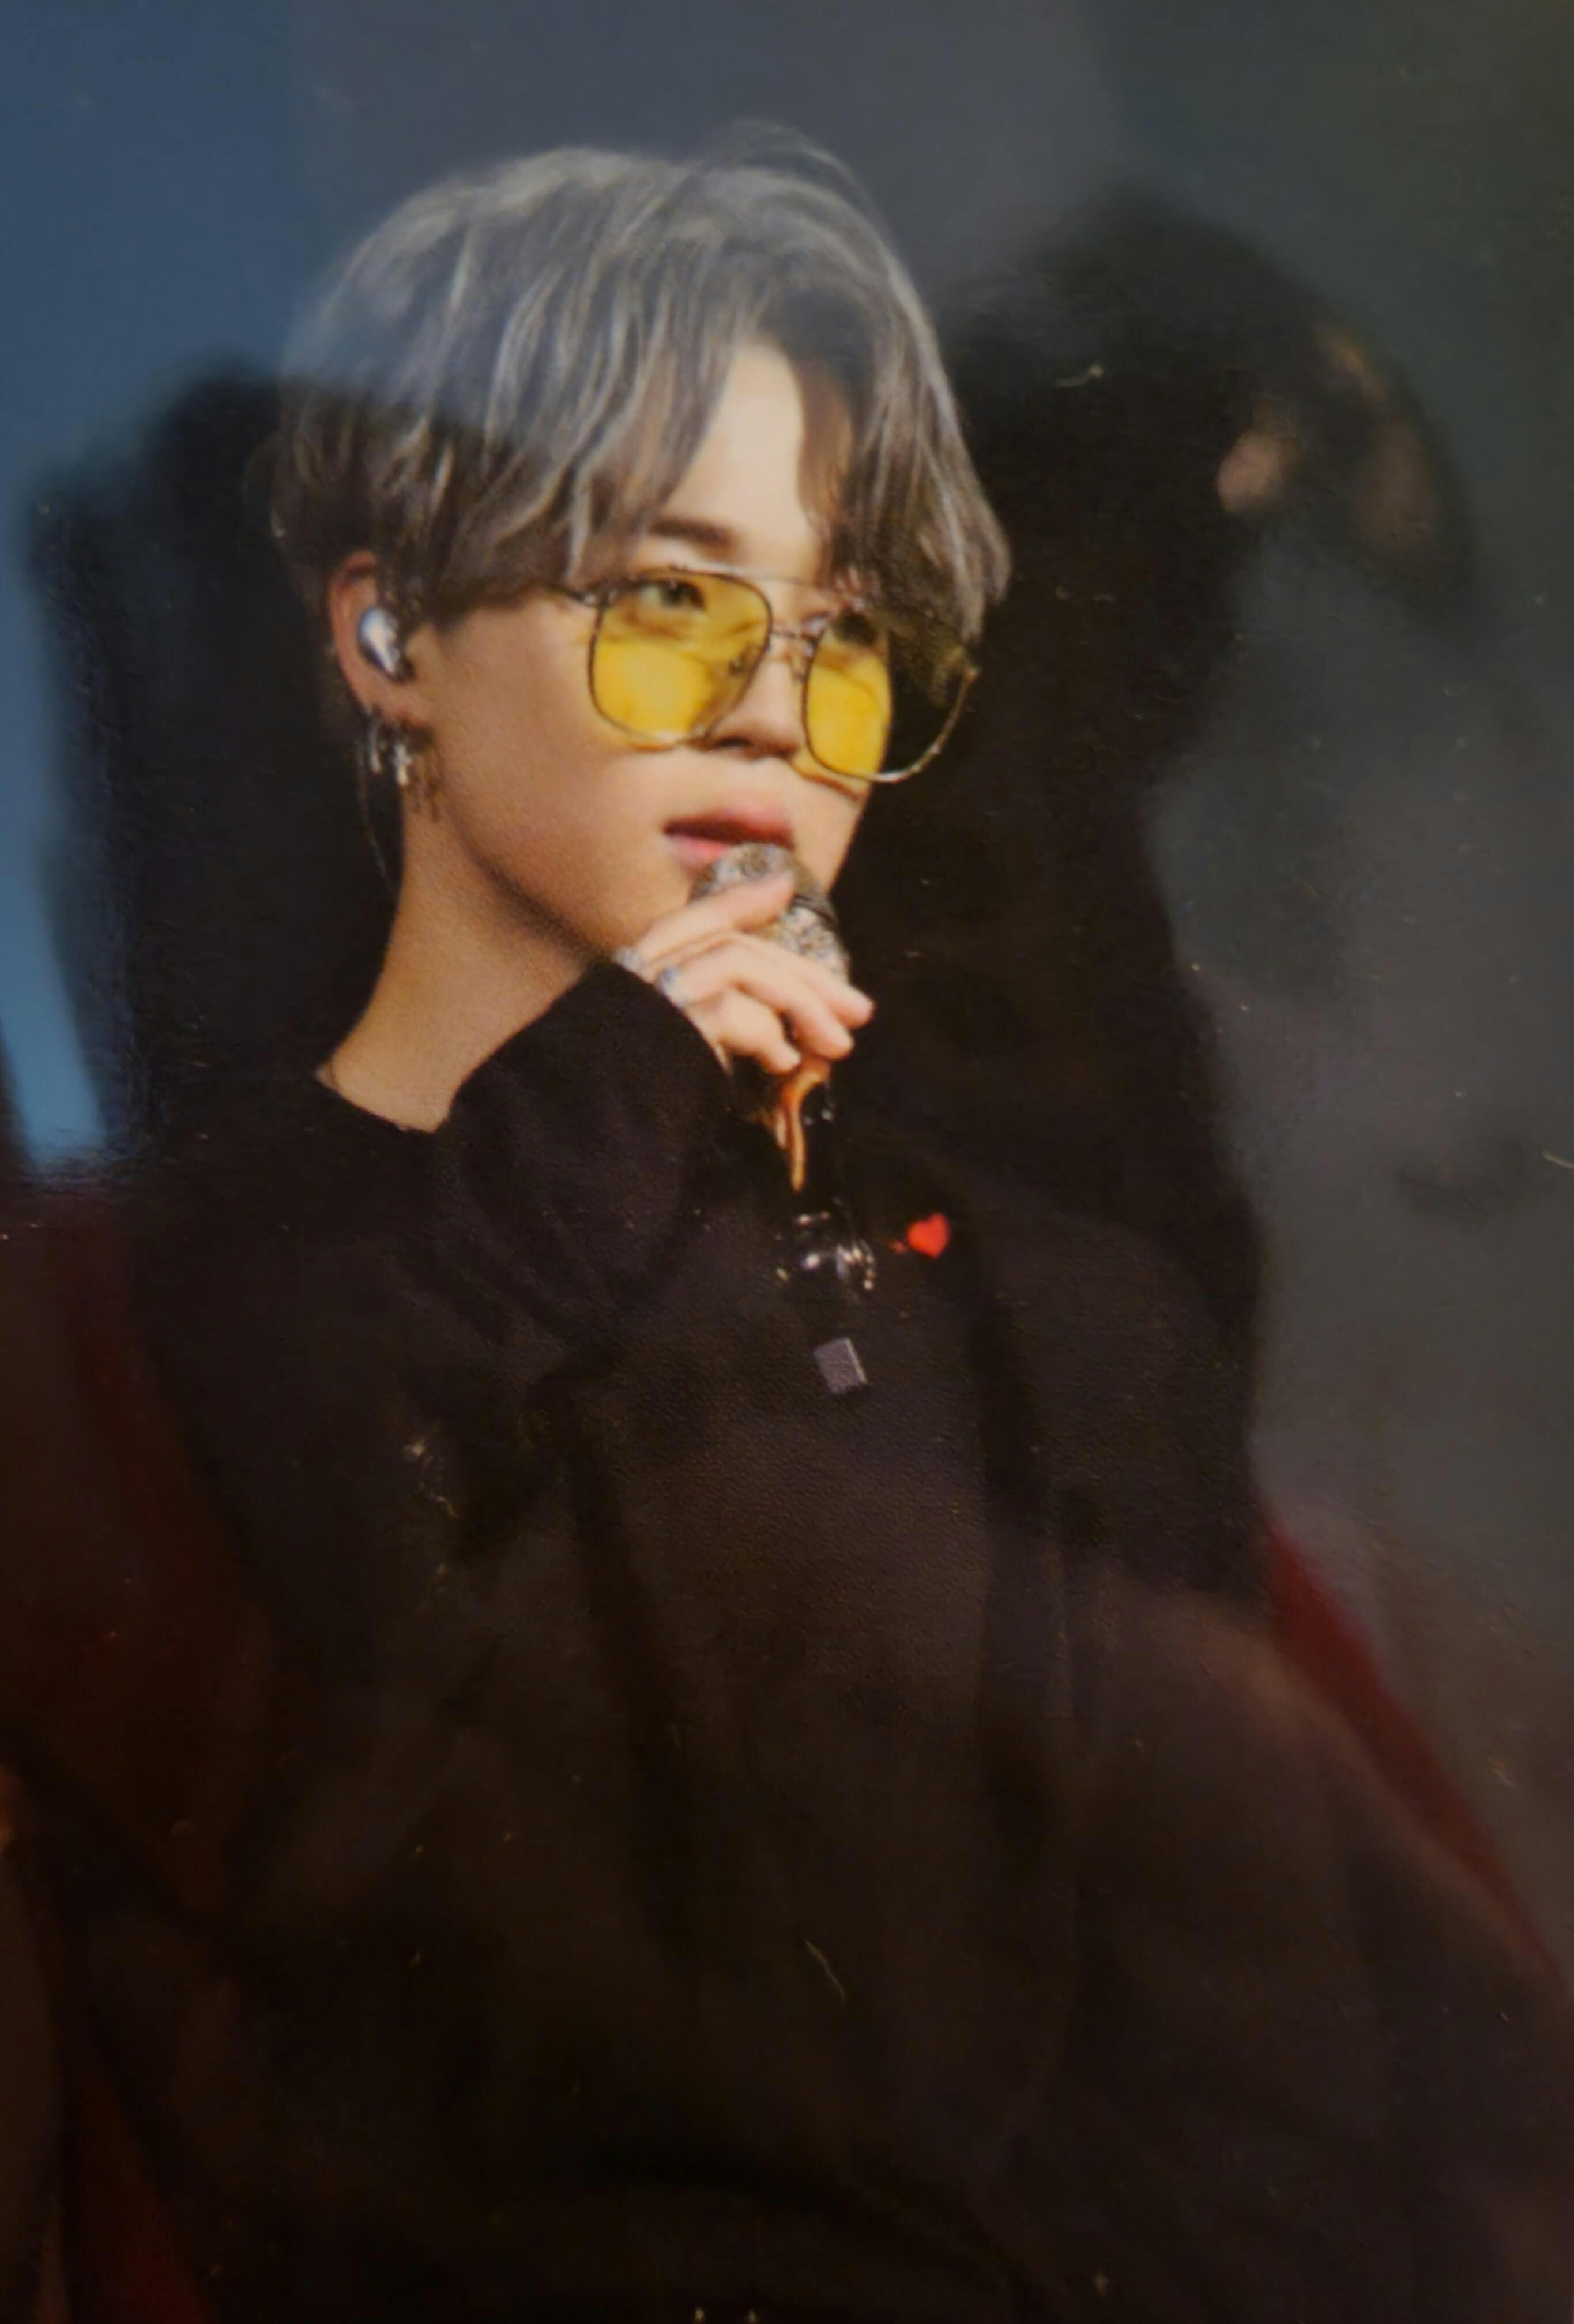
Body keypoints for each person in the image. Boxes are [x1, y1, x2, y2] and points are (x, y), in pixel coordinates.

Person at [36, 137, 1571, 2322]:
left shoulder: (1037, 1300)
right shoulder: (150, 1311)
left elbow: (1298, 2065)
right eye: (672, 600)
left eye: (843, 639)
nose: (774, 702)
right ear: (386, 634)